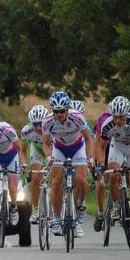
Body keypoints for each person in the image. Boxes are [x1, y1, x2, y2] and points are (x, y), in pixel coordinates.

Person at [42, 92, 94, 238]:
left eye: (62, 111)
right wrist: (49, 156)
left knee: (82, 180)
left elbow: (89, 139)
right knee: (56, 181)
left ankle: (80, 205)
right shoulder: (47, 121)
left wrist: (90, 158)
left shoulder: (77, 117)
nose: (59, 114)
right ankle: (57, 220)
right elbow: (46, 143)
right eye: (56, 111)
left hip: (78, 148)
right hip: (59, 149)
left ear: (67, 108)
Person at [97, 96, 130, 234]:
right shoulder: (107, 124)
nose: (118, 120)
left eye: (121, 117)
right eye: (115, 117)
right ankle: (116, 205)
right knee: (114, 175)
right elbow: (101, 148)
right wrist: (101, 163)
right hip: (117, 147)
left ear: (127, 114)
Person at [0, 109, 25, 230]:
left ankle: (13, 208)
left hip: (11, 156)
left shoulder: (7, 129)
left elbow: (19, 148)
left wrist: (23, 163)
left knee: (13, 186)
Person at [21, 105, 50, 224]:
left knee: (56, 176)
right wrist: (23, 164)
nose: (38, 127)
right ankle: (35, 210)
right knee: (35, 176)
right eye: (35, 124)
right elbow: (22, 151)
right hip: (37, 150)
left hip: (53, 148)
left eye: (40, 124)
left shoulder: (52, 126)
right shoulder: (26, 131)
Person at [92, 106, 112, 232]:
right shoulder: (103, 120)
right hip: (103, 147)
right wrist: (96, 163)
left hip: (119, 146)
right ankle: (100, 213)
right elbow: (97, 144)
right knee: (101, 181)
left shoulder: (129, 120)